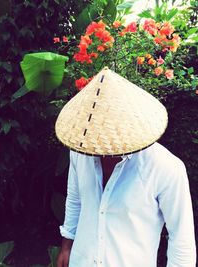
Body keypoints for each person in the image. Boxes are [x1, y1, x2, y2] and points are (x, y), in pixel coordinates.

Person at [55, 67, 196, 267]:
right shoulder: (81, 149)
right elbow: (76, 198)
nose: (101, 147)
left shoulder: (166, 168)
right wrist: (66, 246)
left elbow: (181, 238)